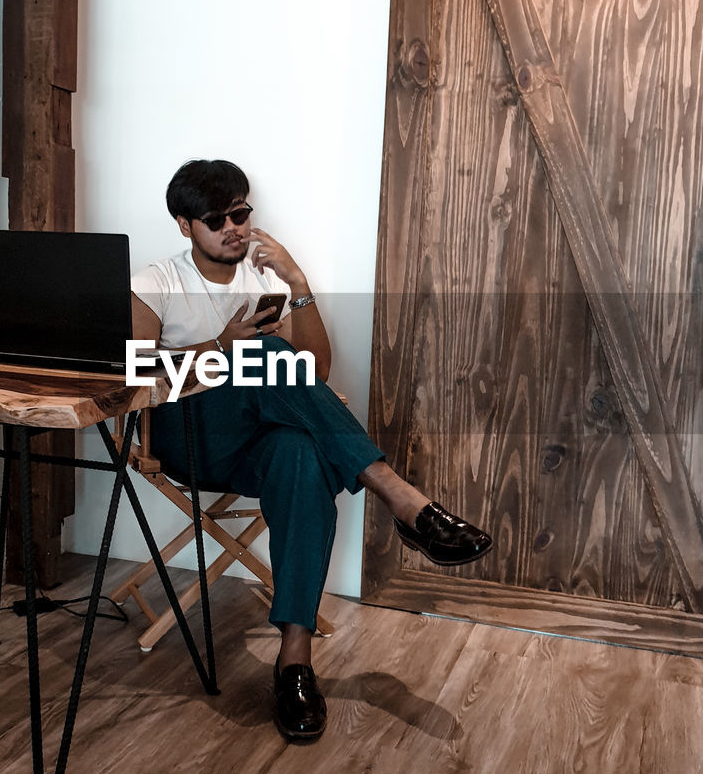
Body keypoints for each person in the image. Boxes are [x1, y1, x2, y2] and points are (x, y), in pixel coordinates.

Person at [131, 159, 491, 743]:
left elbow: (316, 374)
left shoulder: (266, 278)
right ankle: (404, 501)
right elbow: (134, 373)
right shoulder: (156, 282)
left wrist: (297, 286)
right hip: (188, 437)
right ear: (183, 225)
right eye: (216, 218)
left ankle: (294, 661)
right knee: (265, 358)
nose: (234, 228)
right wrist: (220, 346)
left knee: (301, 451)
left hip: (260, 445)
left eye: (241, 213)